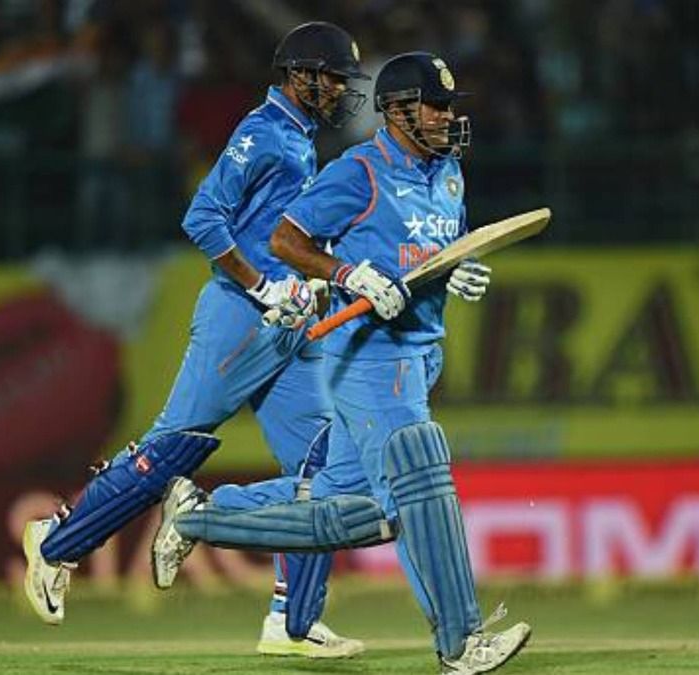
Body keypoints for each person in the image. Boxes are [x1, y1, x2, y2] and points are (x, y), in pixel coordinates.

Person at [151, 52, 530, 674]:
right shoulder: (358, 171)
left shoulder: (448, 174)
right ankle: (462, 644)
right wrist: (347, 273)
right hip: (372, 361)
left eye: (449, 107)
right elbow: (285, 240)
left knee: (338, 500)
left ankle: (203, 516)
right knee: (416, 492)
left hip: (421, 354)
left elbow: (436, 250)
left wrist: (456, 269)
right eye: (435, 106)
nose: (446, 117)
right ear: (398, 110)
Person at [21, 21, 370, 658]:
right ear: (300, 76)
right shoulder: (264, 132)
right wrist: (263, 287)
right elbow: (202, 217)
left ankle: (292, 622)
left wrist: (311, 285)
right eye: (334, 79)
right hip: (243, 316)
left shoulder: (298, 138)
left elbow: (283, 236)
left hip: (288, 323)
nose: (344, 91)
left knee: (321, 469)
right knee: (175, 446)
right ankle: (55, 542)